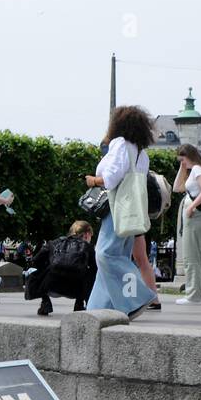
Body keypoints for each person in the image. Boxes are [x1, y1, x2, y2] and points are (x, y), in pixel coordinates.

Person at [85, 106, 157, 318]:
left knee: (105, 254)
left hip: (117, 207)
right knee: (116, 256)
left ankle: (137, 298)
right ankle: (100, 309)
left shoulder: (120, 144)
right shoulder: (140, 152)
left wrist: (94, 180)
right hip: (134, 208)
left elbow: (110, 177)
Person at [173, 145, 201, 306]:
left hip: (195, 217)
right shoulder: (195, 170)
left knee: (192, 258)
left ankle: (193, 295)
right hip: (194, 218)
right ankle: (194, 293)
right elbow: (177, 188)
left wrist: (191, 207)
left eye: (182, 160)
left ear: (188, 156)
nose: (182, 163)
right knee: (194, 257)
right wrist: (182, 169)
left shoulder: (197, 169)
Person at [30, 221, 96, 316]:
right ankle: (79, 304)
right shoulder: (87, 247)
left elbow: (36, 260)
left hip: (51, 285)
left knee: (36, 271)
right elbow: (95, 268)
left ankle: (45, 302)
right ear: (87, 234)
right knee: (90, 273)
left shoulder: (54, 243)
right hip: (76, 289)